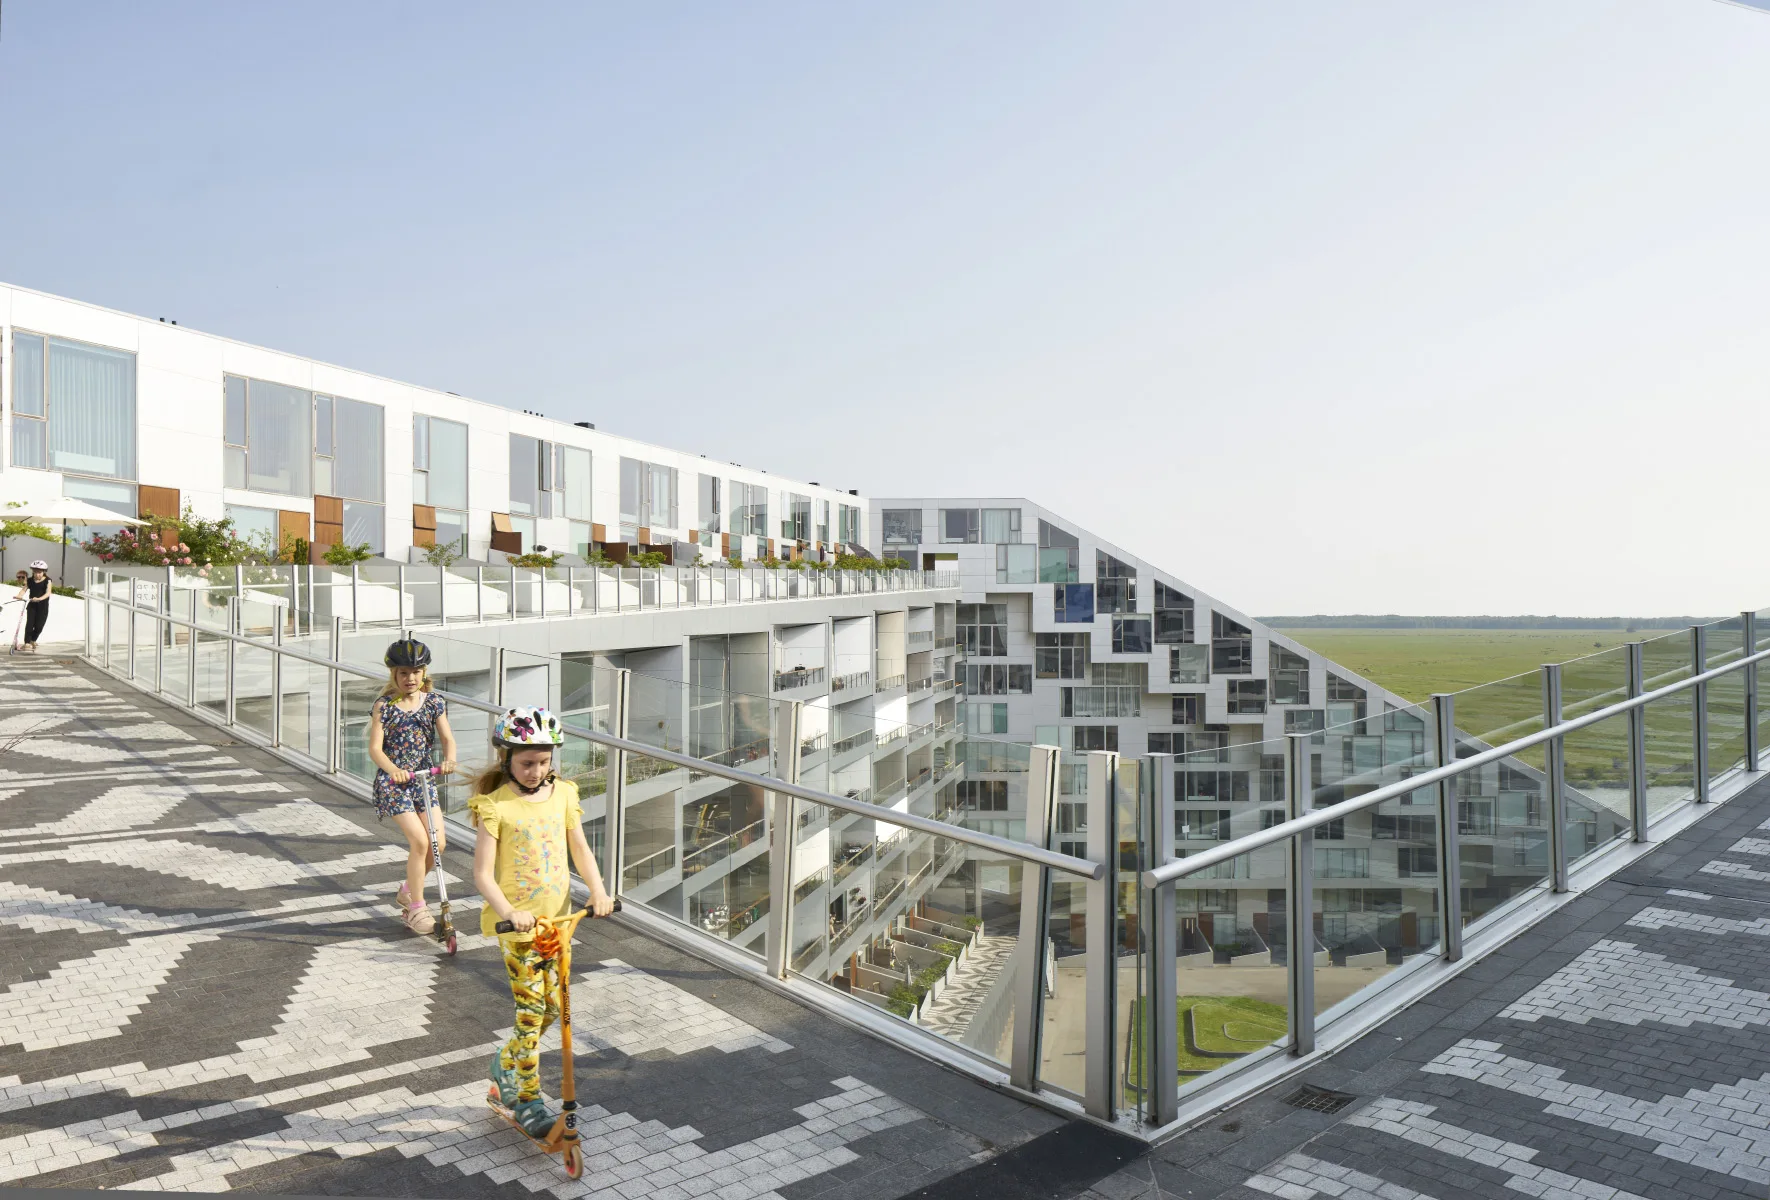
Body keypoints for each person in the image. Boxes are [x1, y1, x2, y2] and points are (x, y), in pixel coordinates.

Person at [469, 705, 613, 1137]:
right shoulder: (495, 807)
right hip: (517, 930)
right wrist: (511, 912)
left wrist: (599, 891)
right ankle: (527, 1098)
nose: (536, 771)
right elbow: (481, 874)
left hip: (560, 924)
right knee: (532, 1012)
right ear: (506, 759)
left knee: (553, 1009)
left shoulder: (565, 794)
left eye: (544, 761)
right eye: (527, 762)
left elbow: (581, 851)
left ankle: (504, 1064)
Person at [367, 638, 458, 934]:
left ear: (424, 672)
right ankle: (416, 908)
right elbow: (376, 750)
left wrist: (449, 760)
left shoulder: (433, 702)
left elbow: (447, 739)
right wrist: (394, 771)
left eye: (416, 672)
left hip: (423, 778)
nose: (411, 678)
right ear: (394, 674)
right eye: (404, 672)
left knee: (438, 844)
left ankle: (408, 889)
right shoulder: (385, 707)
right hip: (394, 783)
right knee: (420, 843)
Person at [15, 562, 51, 652]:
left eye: (39, 572)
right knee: (30, 624)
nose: (37, 574)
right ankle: (27, 643)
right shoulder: (30, 580)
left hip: (43, 606)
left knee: (39, 626)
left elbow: (48, 593)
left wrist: (39, 598)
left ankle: (33, 640)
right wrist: (19, 595)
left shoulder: (48, 580)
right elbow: (24, 589)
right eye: (35, 572)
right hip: (32, 605)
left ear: (44, 572)